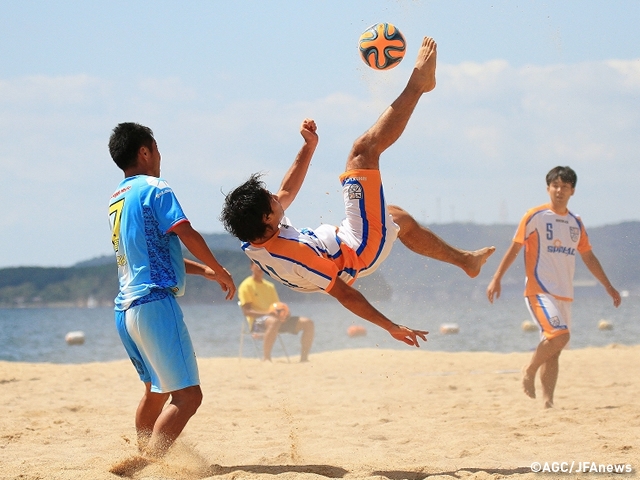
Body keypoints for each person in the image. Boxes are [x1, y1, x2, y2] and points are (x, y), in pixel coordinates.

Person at [220, 37, 495, 348]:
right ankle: (419, 84)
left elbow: (286, 190)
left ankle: (466, 261)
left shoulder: (254, 232)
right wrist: (391, 326)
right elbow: (345, 294)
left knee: (396, 217)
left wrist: (308, 147)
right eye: (270, 200)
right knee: (363, 152)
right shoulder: (291, 254)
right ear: (267, 220)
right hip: (360, 248)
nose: (275, 195)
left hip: (343, 241)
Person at [107, 122, 236, 472]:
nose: (160, 157)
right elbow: (184, 231)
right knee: (189, 396)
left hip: (125, 309)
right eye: (157, 148)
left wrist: (204, 272)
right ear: (145, 152)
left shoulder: (117, 198)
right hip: (153, 305)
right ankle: (145, 465)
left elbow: (154, 253)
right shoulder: (155, 187)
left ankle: (141, 455)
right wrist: (220, 267)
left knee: (155, 391)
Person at [486, 166, 621, 408]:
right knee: (560, 335)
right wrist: (497, 278)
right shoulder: (535, 216)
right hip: (539, 290)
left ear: (573, 191)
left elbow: (588, 256)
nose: (560, 190)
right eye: (555, 186)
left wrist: (608, 285)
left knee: (554, 349)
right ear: (548, 188)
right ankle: (529, 369)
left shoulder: (575, 223)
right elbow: (515, 248)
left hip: (565, 293)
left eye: (565, 186)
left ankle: (548, 403)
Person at [238, 262, 315, 362]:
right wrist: (268, 314)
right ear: (251, 267)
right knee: (274, 321)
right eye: (256, 264)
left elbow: (278, 307)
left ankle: (304, 359)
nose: (260, 267)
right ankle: (266, 358)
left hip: (275, 320)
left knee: (308, 323)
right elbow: (247, 311)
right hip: (257, 323)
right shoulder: (246, 285)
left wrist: (286, 314)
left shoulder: (269, 286)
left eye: (262, 264)